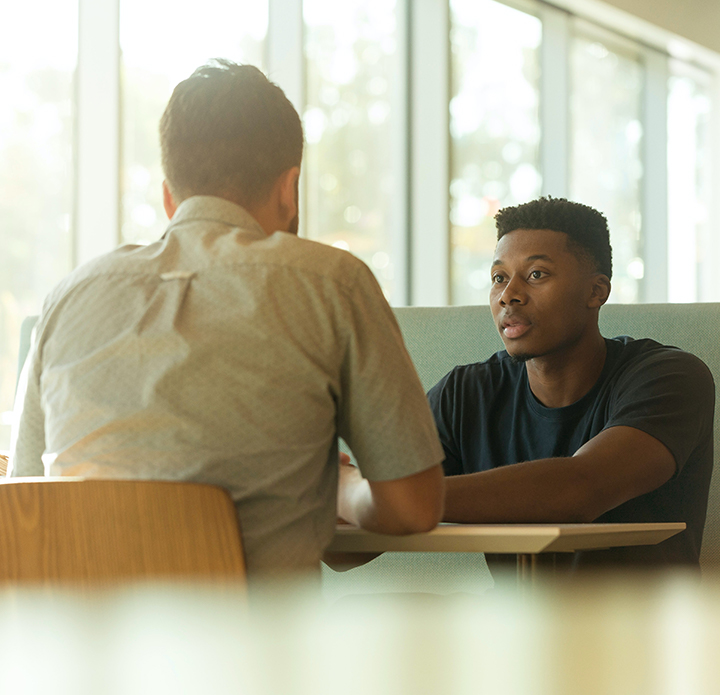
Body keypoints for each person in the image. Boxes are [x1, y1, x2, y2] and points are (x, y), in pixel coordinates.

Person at [9, 60, 444, 577]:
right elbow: (413, 507)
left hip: (73, 650)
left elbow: (22, 500)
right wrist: (343, 489)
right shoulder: (332, 283)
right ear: (290, 188)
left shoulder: (68, 297)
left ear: (170, 196)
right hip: (255, 652)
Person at [428, 197, 714, 569]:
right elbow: (346, 552)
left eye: (536, 275)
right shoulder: (464, 393)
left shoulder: (670, 377)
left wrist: (389, 498)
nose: (507, 295)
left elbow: (579, 490)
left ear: (596, 292)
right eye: (499, 277)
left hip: (643, 624)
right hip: (516, 623)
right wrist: (347, 494)